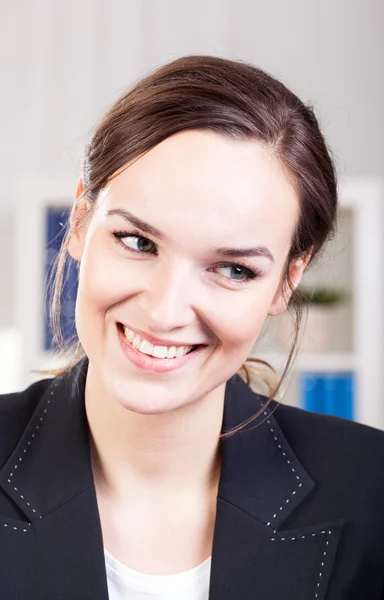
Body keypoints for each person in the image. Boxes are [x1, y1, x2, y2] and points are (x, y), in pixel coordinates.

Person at [0, 55, 383, 600]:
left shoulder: (372, 490)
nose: (164, 312)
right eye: (138, 242)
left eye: (233, 269)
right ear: (82, 219)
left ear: (286, 282)